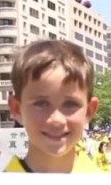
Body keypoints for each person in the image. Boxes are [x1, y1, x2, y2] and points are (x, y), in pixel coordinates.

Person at [5, 40, 101, 173]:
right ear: (16, 109)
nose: (57, 120)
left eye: (70, 104)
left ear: (89, 110)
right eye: (41, 103)